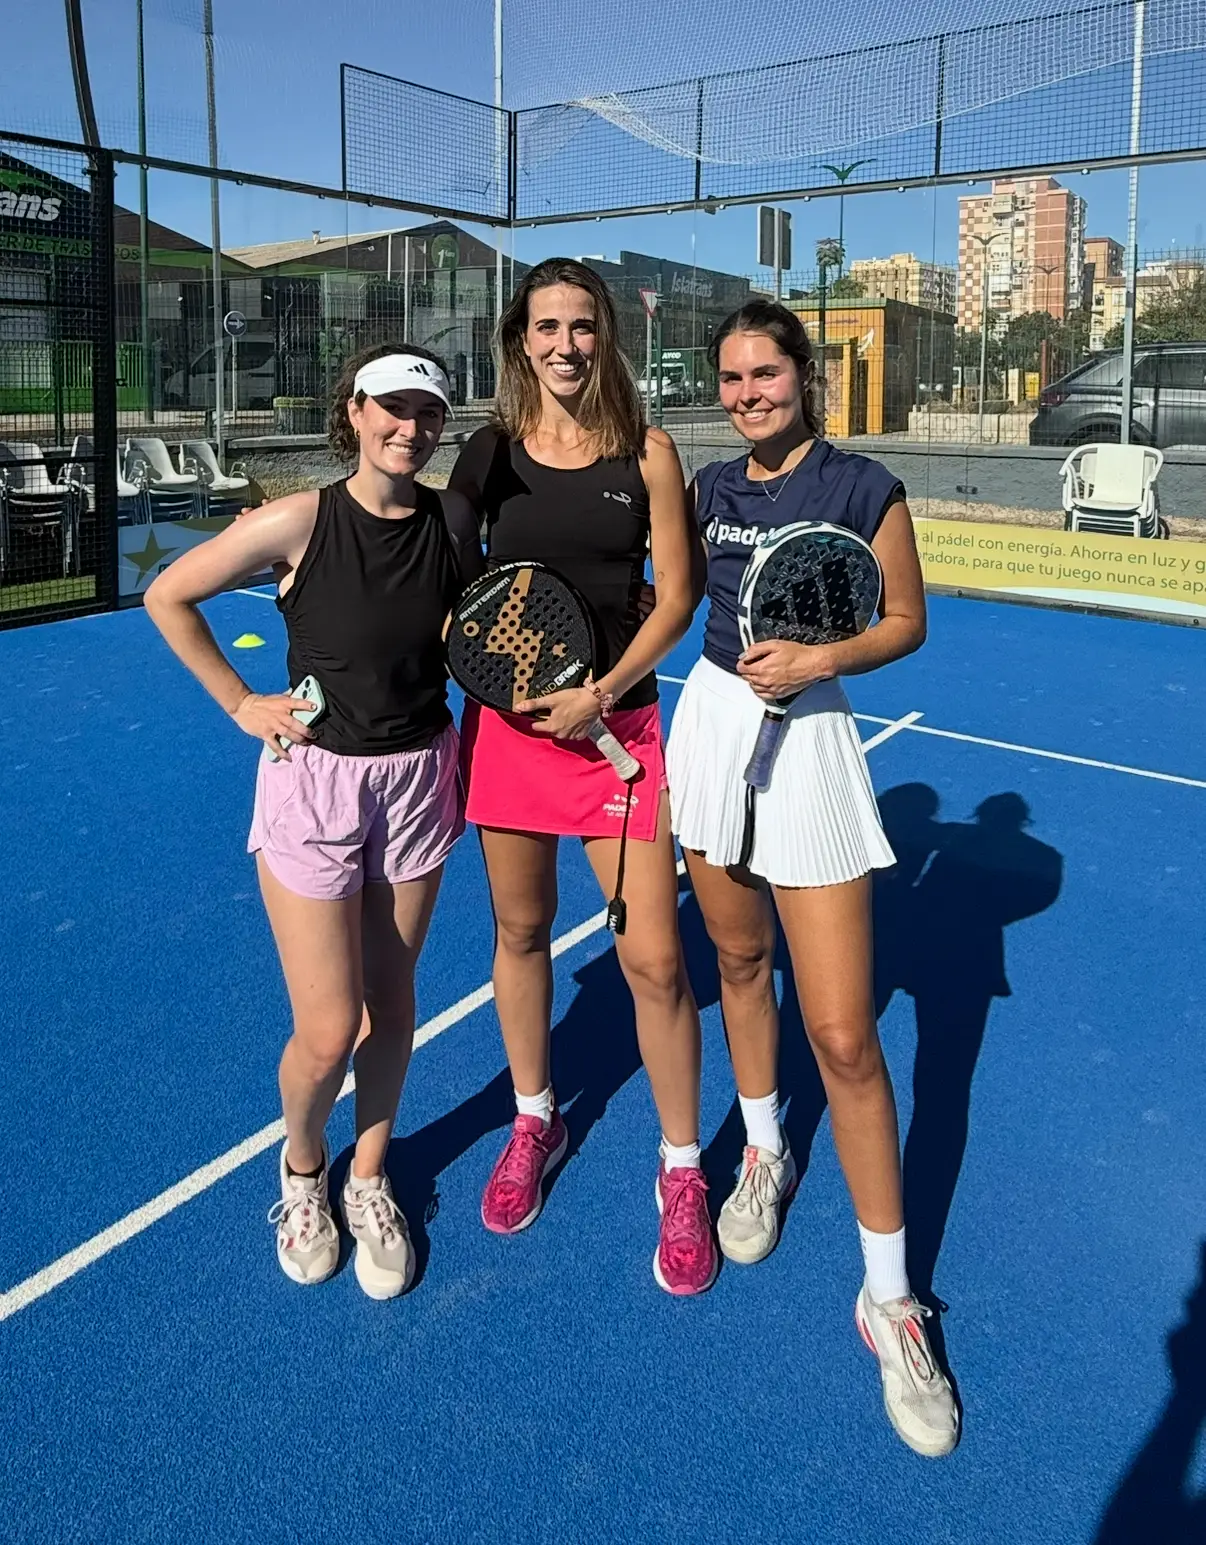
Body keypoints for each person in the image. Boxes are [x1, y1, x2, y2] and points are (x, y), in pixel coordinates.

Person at [665, 300, 960, 1453]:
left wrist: (821, 658)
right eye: (733, 379)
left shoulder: (863, 486)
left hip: (814, 744)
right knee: (739, 963)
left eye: (767, 374)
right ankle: (765, 1152)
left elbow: (907, 620)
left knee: (842, 1037)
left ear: (804, 376)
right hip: (712, 731)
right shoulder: (707, 489)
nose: (749, 394)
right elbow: (668, 598)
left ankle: (890, 1301)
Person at [145, 344, 483, 1299]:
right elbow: (167, 593)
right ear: (355, 411)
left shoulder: (453, 522)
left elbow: (464, 634)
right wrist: (239, 701)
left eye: (427, 412)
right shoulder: (300, 519)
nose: (409, 428)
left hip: (418, 778)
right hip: (317, 786)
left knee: (394, 1002)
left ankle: (368, 1176)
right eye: (392, 408)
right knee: (331, 1028)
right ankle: (303, 1168)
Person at [448, 258, 716, 1295]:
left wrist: (600, 691)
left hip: (617, 730)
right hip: (512, 732)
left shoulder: (647, 450)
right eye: (547, 326)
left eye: (583, 326)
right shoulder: (489, 451)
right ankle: (536, 1119)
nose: (565, 344)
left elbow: (676, 595)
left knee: (654, 959)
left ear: (606, 336)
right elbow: (443, 564)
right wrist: (486, 662)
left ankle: (682, 1170)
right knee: (520, 933)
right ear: (521, 340)